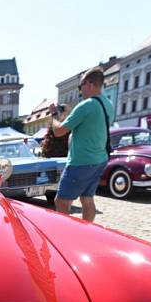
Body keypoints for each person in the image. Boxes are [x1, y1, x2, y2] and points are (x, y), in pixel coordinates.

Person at [48, 68, 114, 222]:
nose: (80, 91)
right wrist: (69, 113)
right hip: (99, 160)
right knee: (87, 199)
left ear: (89, 84)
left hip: (81, 162)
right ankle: (87, 232)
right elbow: (89, 126)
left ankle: (66, 238)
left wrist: (53, 116)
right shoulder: (107, 105)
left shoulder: (85, 106)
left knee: (62, 201)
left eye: (80, 86)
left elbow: (58, 131)